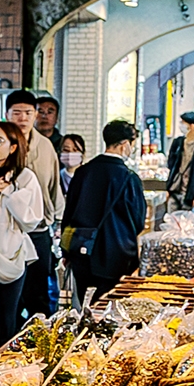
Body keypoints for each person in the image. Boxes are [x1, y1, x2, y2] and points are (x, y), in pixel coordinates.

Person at [0, 120, 44, 351]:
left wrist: (10, 193)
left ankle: (3, 357)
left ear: (13, 147)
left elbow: (32, 219)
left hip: (13, 254)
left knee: (8, 313)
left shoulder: (25, 177)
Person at [61, 120, 147, 307]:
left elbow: (69, 213)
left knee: (86, 305)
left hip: (82, 252)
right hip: (117, 255)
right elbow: (138, 221)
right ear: (125, 145)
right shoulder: (129, 178)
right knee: (109, 308)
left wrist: (66, 251)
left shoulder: (82, 172)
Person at [4, 90, 61, 315]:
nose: (23, 118)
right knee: (10, 297)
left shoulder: (45, 146)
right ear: (7, 114)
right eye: (17, 112)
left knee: (39, 293)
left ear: (35, 115)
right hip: (8, 231)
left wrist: (56, 220)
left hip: (38, 230)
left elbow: (54, 185)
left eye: (28, 113)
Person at [165, 110, 194, 211]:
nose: (180, 126)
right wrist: (167, 189)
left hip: (190, 195)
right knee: (171, 219)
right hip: (174, 191)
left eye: (183, 123)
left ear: (192, 126)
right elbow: (171, 166)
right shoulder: (178, 143)